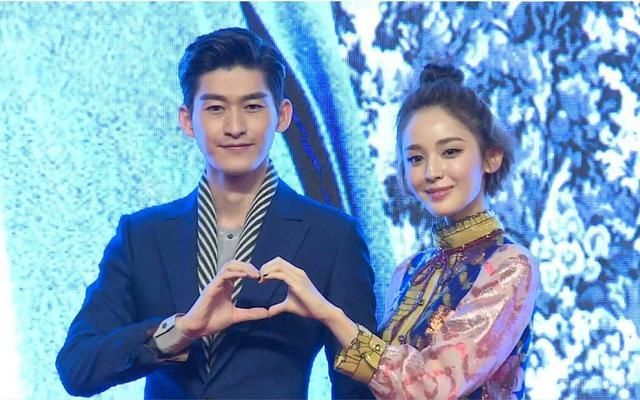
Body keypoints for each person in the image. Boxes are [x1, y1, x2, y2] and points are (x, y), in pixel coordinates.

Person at [56, 27, 377, 399]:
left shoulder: (332, 236)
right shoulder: (142, 235)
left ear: (282, 115)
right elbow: (77, 367)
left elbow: (358, 389)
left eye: (253, 107)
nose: (235, 127)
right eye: (215, 108)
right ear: (187, 120)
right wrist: (179, 332)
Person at [260, 64, 540, 399]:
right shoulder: (411, 269)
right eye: (416, 158)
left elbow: (431, 385)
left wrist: (329, 314)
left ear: (491, 157)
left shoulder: (510, 265)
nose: (432, 171)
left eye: (450, 152)